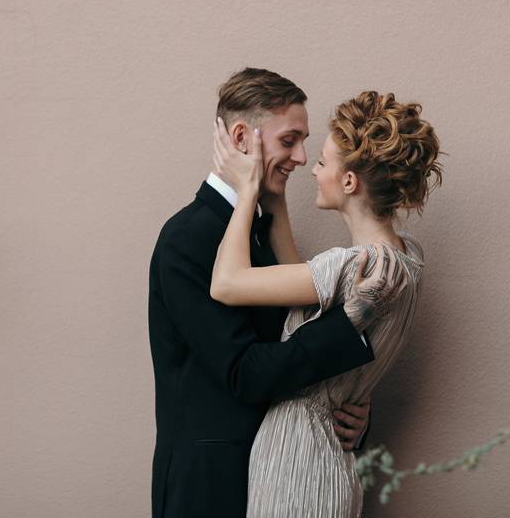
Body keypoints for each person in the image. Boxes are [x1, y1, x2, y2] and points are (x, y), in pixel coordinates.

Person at [148, 69, 399, 518]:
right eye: (289, 140)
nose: (302, 157)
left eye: (304, 142)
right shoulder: (186, 239)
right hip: (210, 489)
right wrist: (351, 327)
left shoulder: (262, 233)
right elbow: (245, 372)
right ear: (242, 136)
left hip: (281, 481)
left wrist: (350, 412)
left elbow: (295, 342)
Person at [210, 90, 442, 517]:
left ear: (349, 181)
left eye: (320, 161)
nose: (311, 169)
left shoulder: (352, 266)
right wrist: (274, 196)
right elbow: (307, 289)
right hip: (331, 460)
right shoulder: (408, 258)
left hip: (294, 465)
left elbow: (226, 284)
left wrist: (247, 191)